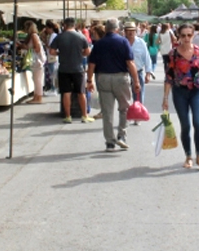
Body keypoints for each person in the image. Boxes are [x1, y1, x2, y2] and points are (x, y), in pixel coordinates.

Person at [162, 22, 199, 171]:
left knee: (198, 124)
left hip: (197, 92)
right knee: (185, 125)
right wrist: (165, 98)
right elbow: (169, 77)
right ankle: (188, 156)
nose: (186, 38)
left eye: (189, 35)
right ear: (179, 36)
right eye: (183, 35)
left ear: (193, 35)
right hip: (180, 92)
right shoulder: (173, 54)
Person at [86, 19, 140, 151]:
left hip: (103, 78)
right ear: (117, 29)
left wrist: (89, 81)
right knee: (124, 108)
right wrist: (136, 81)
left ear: (106, 29)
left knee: (107, 112)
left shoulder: (99, 44)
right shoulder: (123, 41)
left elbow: (91, 64)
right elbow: (130, 63)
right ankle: (121, 136)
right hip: (120, 78)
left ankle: (110, 142)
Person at [51, 18, 93, 124]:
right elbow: (87, 52)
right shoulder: (81, 36)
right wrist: (80, 55)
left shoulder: (59, 37)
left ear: (64, 25)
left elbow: (52, 51)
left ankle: (68, 116)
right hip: (78, 68)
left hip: (64, 68)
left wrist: (60, 54)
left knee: (66, 93)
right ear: (74, 25)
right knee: (81, 92)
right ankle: (84, 115)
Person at [124, 22, 153, 104]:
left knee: (138, 98)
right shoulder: (122, 42)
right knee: (124, 98)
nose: (131, 33)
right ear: (125, 31)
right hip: (124, 73)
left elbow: (147, 58)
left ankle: (138, 114)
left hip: (138, 72)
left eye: (133, 30)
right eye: (129, 31)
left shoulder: (141, 43)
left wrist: (148, 73)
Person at [23, 21, 45, 104]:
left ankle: (38, 98)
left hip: (37, 60)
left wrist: (29, 49)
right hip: (37, 60)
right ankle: (36, 96)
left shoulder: (33, 36)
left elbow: (37, 48)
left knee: (37, 79)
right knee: (36, 79)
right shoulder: (34, 35)